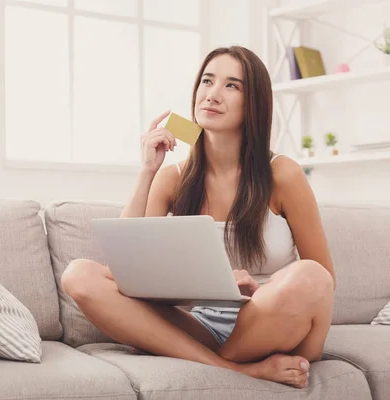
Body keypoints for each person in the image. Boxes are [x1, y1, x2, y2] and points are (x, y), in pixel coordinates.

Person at [61, 45, 336, 389]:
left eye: (231, 85)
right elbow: (122, 272)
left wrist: (263, 290)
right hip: (203, 327)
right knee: (79, 275)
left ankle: (214, 361)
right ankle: (236, 369)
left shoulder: (282, 174)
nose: (212, 95)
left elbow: (324, 278)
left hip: (273, 320)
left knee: (309, 276)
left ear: (254, 104)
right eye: (207, 81)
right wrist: (147, 171)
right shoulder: (173, 177)